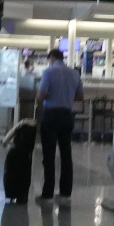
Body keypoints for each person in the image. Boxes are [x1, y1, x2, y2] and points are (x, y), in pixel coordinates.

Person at [35, 48, 83, 204]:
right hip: (67, 116)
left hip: (51, 115)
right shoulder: (74, 73)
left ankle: (47, 194)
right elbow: (80, 97)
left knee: (49, 156)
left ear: (51, 57)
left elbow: (41, 95)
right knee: (66, 155)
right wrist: (66, 96)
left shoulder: (49, 72)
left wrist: (51, 96)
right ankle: (65, 193)